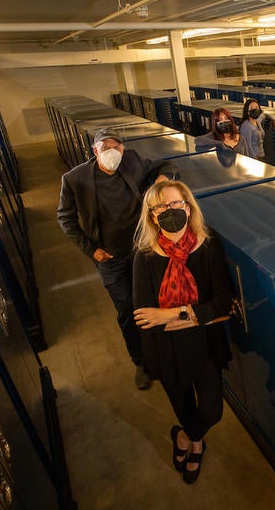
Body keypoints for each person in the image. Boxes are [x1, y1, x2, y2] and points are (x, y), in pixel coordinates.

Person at [57, 128, 179, 390]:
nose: (112, 152)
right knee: (127, 310)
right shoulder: (75, 179)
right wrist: (91, 250)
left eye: (117, 147)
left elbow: (168, 163)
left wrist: (161, 178)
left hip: (142, 250)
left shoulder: (132, 160)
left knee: (157, 300)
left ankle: (163, 354)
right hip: (110, 258)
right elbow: (65, 219)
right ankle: (141, 363)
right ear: (95, 151)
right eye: (106, 147)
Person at [132, 180, 233, 484]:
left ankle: (185, 436)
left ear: (188, 208)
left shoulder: (208, 246)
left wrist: (174, 314)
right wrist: (193, 314)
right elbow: (145, 317)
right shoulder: (144, 257)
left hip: (204, 344)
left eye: (176, 204)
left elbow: (222, 301)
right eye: (161, 207)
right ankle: (195, 441)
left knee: (212, 410)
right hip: (165, 348)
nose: (170, 210)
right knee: (183, 404)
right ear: (152, 216)